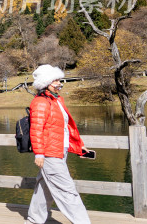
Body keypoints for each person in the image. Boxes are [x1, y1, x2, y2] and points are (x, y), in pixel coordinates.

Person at [26, 65, 91, 224]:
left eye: (59, 79)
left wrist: (78, 145)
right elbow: (36, 130)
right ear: (45, 83)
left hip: (60, 150)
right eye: (55, 80)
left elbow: (64, 128)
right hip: (49, 153)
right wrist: (39, 153)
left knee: (44, 188)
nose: (59, 83)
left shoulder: (57, 100)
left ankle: (33, 221)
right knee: (67, 190)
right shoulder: (41, 102)